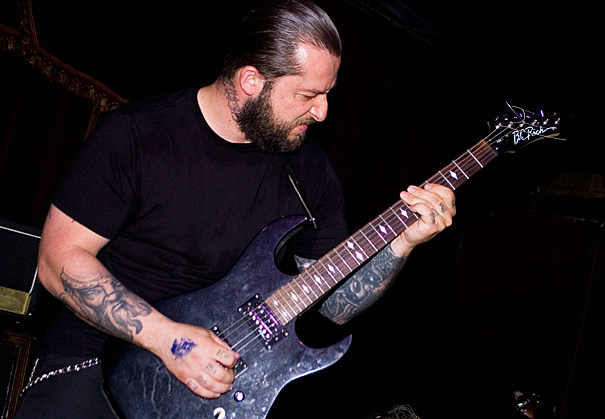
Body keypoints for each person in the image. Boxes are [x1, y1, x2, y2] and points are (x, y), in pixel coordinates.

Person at [15, 0, 455, 417]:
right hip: (94, 361)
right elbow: (59, 262)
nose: (321, 112)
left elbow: (333, 303)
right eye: (307, 95)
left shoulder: (310, 171)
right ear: (251, 82)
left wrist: (402, 245)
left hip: (214, 391)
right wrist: (171, 342)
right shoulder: (137, 135)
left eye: (327, 95)